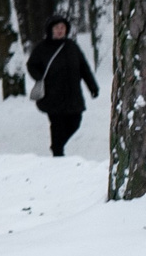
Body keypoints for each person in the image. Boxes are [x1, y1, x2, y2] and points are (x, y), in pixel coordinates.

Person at [26, 13, 100, 157]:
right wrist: (39, 77)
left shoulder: (72, 47)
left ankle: (57, 146)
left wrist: (93, 87)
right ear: (50, 30)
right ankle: (58, 153)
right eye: (57, 27)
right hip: (51, 95)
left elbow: (84, 68)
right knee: (57, 125)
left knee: (75, 122)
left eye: (63, 27)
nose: (60, 30)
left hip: (73, 94)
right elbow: (31, 65)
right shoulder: (42, 48)